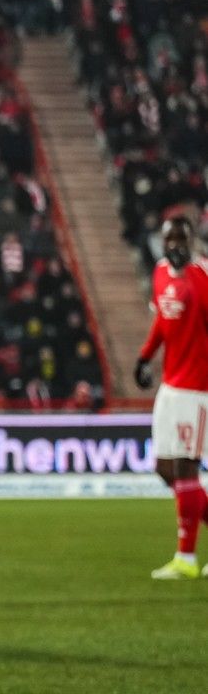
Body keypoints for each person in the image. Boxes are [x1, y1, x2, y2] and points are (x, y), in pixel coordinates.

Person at [134, 215, 208, 580]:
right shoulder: (161, 272)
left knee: (185, 466)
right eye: (170, 239)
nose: (176, 244)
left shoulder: (203, 276)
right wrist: (144, 357)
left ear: (192, 240)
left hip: (197, 389)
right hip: (170, 386)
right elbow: (162, 322)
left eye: (182, 237)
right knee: (164, 468)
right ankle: (186, 557)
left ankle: (186, 558)